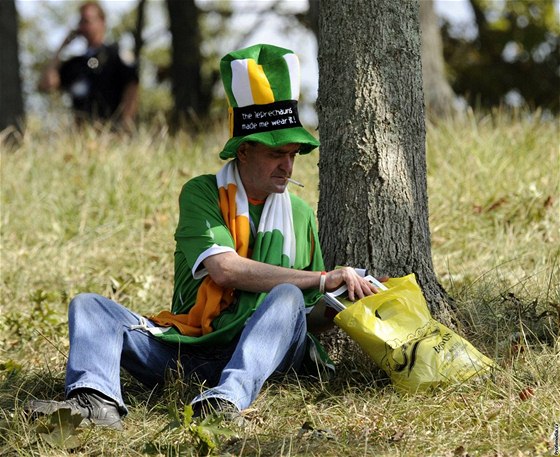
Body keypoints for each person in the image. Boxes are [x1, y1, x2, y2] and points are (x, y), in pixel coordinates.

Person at [27, 44, 380, 430]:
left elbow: (303, 316)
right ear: (243, 152)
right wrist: (319, 279)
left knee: (288, 297)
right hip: (187, 350)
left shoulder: (300, 213)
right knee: (89, 306)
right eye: (277, 153)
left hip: (263, 359)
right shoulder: (202, 192)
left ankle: (226, 400)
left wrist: (345, 305)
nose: (288, 165)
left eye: (294, 153)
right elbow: (224, 269)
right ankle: (95, 402)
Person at [38, 1, 139, 129]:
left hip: (112, 132)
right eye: (81, 22)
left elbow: (132, 86)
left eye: (87, 21)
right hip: (83, 136)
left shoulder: (116, 55)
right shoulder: (75, 64)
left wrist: (125, 124)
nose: (83, 27)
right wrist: (61, 48)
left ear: (102, 22)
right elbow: (46, 85)